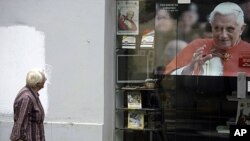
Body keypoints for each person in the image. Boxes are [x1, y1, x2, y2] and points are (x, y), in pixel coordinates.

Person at [164, 2, 250, 76]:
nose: (223, 35)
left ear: (241, 29)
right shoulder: (197, 46)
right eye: (217, 28)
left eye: (230, 29)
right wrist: (189, 69)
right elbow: (168, 75)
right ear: (212, 27)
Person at [10, 68, 47, 141]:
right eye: (43, 79)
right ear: (38, 83)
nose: (45, 80)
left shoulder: (32, 94)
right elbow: (20, 124)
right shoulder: (27, 98)